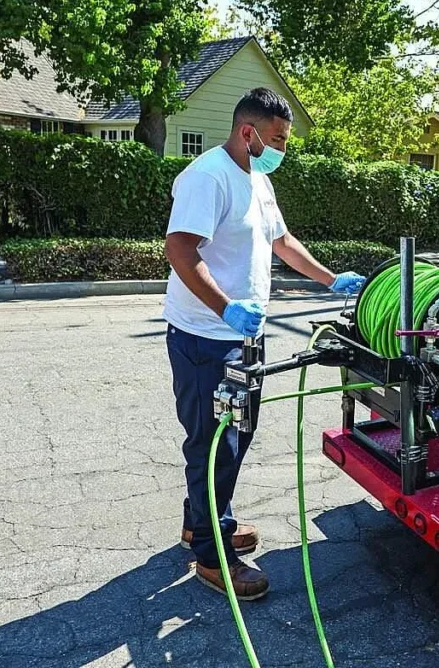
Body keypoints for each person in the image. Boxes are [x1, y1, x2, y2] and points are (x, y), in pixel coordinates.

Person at [163, 87, 365, 600]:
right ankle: (212, 555)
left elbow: (282, 242)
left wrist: (330, 279)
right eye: (277, 139)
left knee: (238, 433)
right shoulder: (208, 177)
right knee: (214, 443)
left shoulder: (258, 179)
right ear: (248, 132)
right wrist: (225, 307)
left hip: (245, 336)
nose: (282, 149)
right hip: (206, 337)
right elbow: (180, 249)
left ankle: (200, 523)